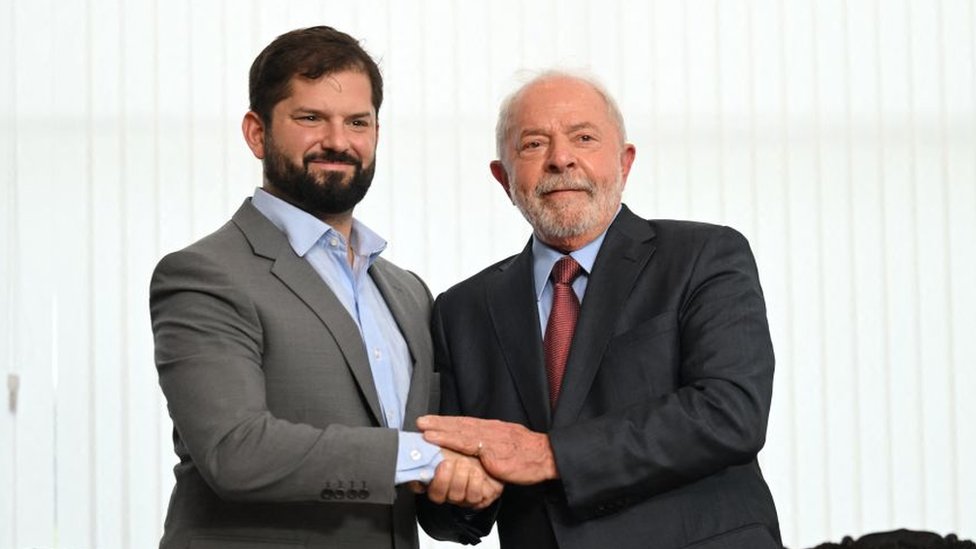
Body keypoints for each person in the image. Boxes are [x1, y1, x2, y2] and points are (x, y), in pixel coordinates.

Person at [150, 26, 499, 549]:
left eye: (357, 122)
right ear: (256, 133)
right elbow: (235, 451)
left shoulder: (407, 294)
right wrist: (425, 458)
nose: (338, 141)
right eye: (310, 118)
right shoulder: (203, 275)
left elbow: (420, 492)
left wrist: (472, 485)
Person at [416, 71, 782, 549]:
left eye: (583, 138)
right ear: (504, 178)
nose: (560, 159)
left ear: (624, 163)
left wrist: (550, 455)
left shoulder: (704, 256)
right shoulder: (461, 310)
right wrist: (459, 494)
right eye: (532, 145)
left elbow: (732, 413)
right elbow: (448, 515)